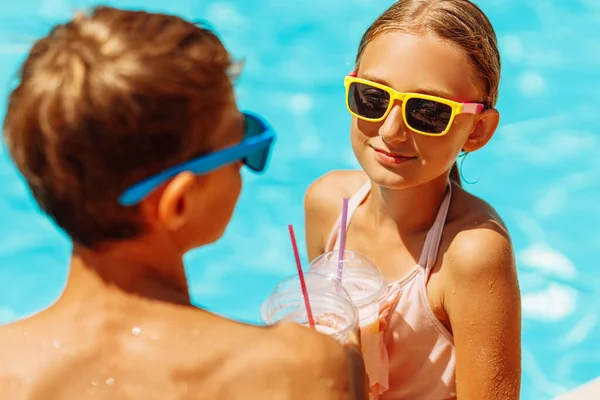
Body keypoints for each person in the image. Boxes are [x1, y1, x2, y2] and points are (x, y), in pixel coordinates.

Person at [0, 7, 367, 399]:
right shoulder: (297, 367)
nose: (246, 165)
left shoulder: (11, 367)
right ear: (179, 202)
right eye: (245, 144)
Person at [305, 0, 521, 398]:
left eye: (427, 112)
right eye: (372, 97)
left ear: (477, 130)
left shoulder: (469, 254)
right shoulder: (328, 204)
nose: (390, 131)